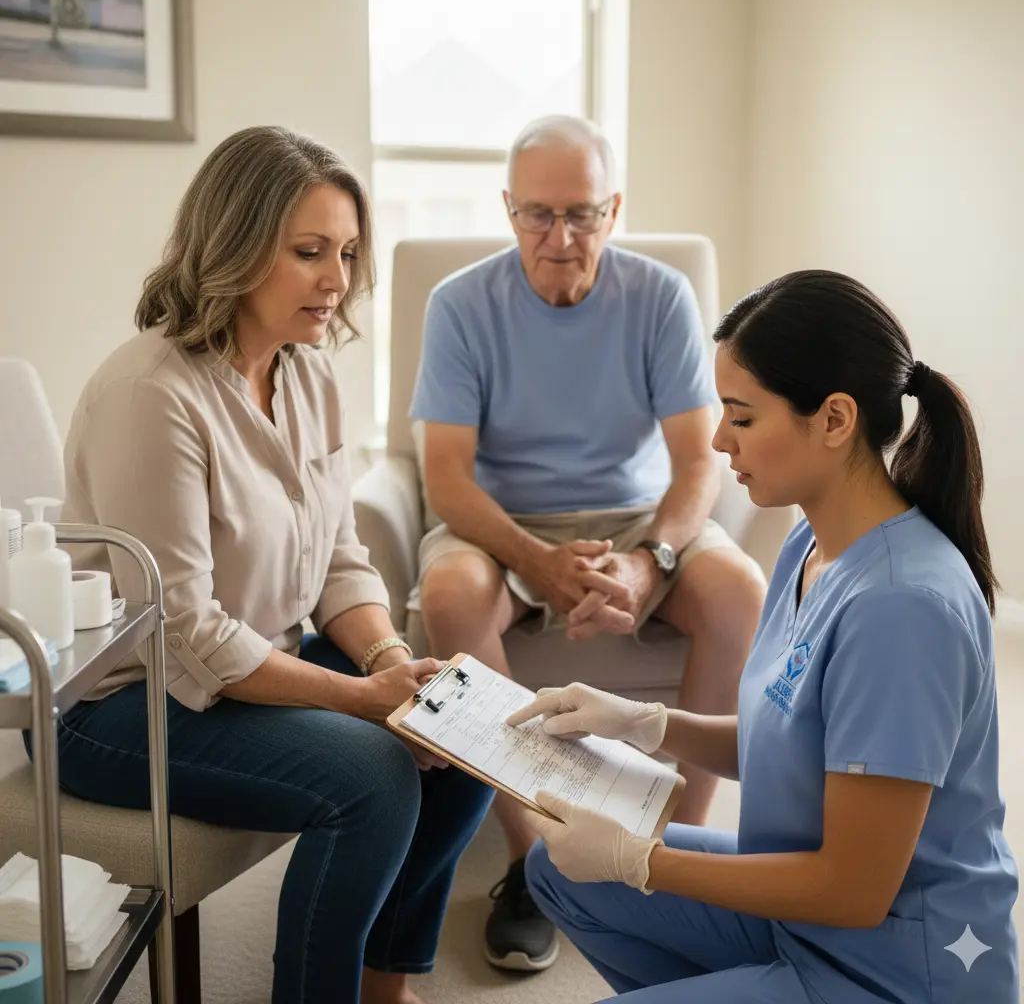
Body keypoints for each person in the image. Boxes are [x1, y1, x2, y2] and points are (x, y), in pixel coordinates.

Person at [47, 126, 493, 1004]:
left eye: (348, 252)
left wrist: (390, 663)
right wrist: (365, 703)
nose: (338, 280)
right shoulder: (153, 393)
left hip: (250, 662)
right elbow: (186, 631)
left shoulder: (308, 375)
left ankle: (383, 989)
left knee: (461, 729)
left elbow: (339, 557)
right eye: (310, 252)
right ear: (238, 244)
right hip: (119, 704)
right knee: (374, 775)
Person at [509, 269, 1019, 1003]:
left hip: (897, 968)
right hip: (801, 922)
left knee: (608, 871)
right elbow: (799, 744)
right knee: (555, 867)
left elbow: (852, 890)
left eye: (742, 418)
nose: (717, 440)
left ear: (835, 420)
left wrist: (640, 860)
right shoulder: (811, 546)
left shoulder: (904, 610)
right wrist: (644, 724)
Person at [407, 114, 767, 971]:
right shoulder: (460, 303)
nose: (560, 238)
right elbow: (447, 479)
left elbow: (694, 466)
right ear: (507, 209)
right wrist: (535, 562)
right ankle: (532, 858)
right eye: (538, 214)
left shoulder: (661, 296)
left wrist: (651, 562)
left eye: (582, 214)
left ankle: (673, 847)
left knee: (741, 590)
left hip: (637, 521)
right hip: (503, 528)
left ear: (614, 210)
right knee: (452, 595)